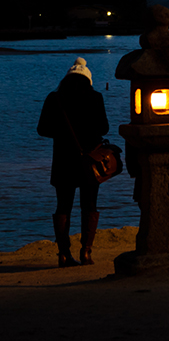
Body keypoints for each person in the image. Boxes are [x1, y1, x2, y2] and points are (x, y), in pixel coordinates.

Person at [37, 57, 109, 267]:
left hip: (63, 160)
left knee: (63, 206)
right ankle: (86, 252)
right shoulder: (96, 97)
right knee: (90, 204)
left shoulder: (55, 98)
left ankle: (63, 254)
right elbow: (104, 128)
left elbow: (42, 129)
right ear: (88, 80)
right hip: (90, 161)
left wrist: (63, 134)